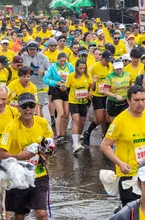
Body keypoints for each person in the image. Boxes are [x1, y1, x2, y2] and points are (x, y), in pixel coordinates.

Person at [100, 85, 145, 207]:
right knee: (132, 210)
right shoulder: (120, 121)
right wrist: (120, 163)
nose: (140, 103)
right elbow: (104, 146)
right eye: (136, 100)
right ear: (128, 101)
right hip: (127, 174)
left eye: (143, 99)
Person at [0, 92, 54, 220]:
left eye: (31, 106)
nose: (28, 110)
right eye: (24, 106)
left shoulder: (42, 123)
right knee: (19, 215)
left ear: (35, 107)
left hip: (39, 174)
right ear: (19, 108)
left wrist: (48, 151)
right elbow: (1, 153)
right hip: (18, 177)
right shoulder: (11, 127)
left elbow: (51, 142)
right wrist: (19, 157)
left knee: (41, 213)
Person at [43, 52, 75, 143]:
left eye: (64, 61)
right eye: (61, 61)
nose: (63, 63)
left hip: (66, 91)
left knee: (66, 113)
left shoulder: (69, 66)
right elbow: (45, 79)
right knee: (60, 113)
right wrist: (56, 83)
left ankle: (64, 134)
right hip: (56, 91)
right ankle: (58, 134)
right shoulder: (53, 67)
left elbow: (74, 76)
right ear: (57, 60)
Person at [83, 50, 113, 145]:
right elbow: (86, 77)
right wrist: (88, 90)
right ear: (102, 58)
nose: (108, 62)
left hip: (107, 94)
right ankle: (87, 133)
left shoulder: (110, 66)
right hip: (97, 95)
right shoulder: (95, 66)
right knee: (99, 118)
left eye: (109, 60)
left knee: (107, 117)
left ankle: (105, 137)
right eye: (107, 60)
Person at [65, 59, 92, 154]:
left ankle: (77, 137)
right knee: (76, 120)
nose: (82, 70)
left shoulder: (88, 76)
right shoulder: (71, 76)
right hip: (73, 101)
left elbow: (91, 87)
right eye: (80, 68)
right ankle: (75, 144)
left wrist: (90, 91)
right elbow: (66, 88)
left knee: (82, 121)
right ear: (76, 67)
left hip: (83, 101)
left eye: (84, 68)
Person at [22, 40, 50, 117]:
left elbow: (51, 71)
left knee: (39, 107)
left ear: (37, 49)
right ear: (27, 49)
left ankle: (40, 124)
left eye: (33, 49)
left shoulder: (43, 58)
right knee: (30, 107)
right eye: (30, 49)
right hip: (29, 86)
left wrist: (44, 72)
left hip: (41, 86)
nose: (32, 51)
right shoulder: (23, 57)